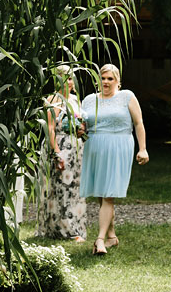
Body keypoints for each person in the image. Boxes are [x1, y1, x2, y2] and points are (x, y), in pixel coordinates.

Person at [79, 63, 149, 255]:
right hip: (94, 147)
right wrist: (79, 130)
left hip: (119, 146)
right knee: (101, 194)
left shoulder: (127, 96)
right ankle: (111, 237)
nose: (106, 82)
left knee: (108, 193)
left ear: (118, 81)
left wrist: (143, 149)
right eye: (103, 78)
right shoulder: (89, 100)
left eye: (110, 78)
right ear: (98, 80)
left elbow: (138, 123)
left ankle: (99, 240)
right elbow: (83, 127)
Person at [37, 65, 87, 241]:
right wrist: (56, 153)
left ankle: (72, 226)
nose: (71, 83)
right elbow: (50, 128)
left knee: (75, 189)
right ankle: (67, 230)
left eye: (72, 79)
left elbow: (80, 124)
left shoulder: (75, 100)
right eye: (66, 79)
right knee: (61, 188)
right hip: (59, 145)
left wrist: (81, 130)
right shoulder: (53, 100)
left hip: (75, 147)